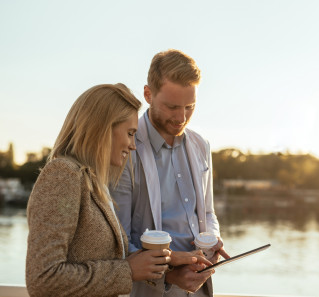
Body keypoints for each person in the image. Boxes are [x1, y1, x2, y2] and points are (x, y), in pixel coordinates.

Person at [25, 83, 209, 297]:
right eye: (130, 133)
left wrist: (168, 261)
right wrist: (128, 270)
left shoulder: (94, 183)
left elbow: (108, 260)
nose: (133, 145)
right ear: (102, 129)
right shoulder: (63, 174)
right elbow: (43, 279)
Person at [110, 49, 230, 297]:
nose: (181, 118)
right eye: (172, 107)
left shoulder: (201, 145)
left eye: (190, 107)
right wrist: (170, 274)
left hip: (198, 287)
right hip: (149, 290)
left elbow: (207, 212)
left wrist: (212, 239)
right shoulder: (125, 147)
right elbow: (118, 238)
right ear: (148, 95)